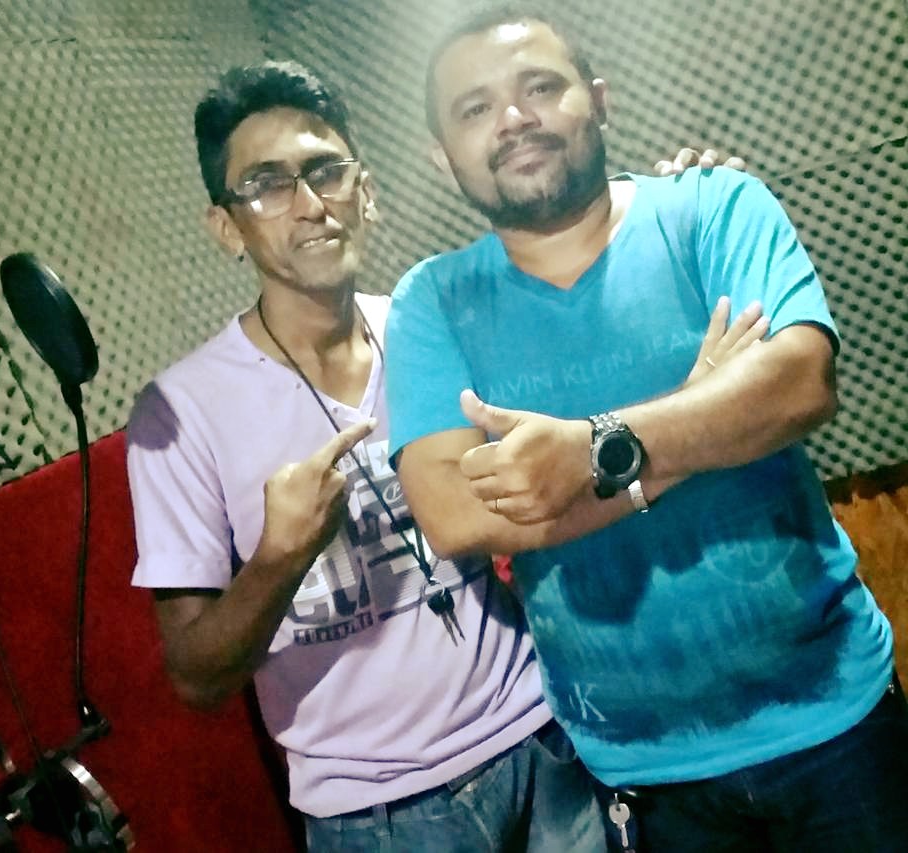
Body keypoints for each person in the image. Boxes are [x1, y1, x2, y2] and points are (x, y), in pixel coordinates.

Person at [125, 58, 751, 852]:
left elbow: (586, 443)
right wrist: (278, 558)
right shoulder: (179, 411)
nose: (310, 204)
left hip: (544, 741)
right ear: (226, 226)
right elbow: (195, 673)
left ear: (367, 190)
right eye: (267, 185)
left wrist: (681, 209)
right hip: (376, 814)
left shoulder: (438, 330)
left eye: (326, 171)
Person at [385, 4, 908, 852]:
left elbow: (800, 383)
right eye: (475, 108)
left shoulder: (714, 207)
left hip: (835, 718)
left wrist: (588, 453)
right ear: (443, 157)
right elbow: (453, 515)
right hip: (642, 767)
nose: (513, 118)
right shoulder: (433, 302)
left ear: (599, 101)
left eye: (540, 87)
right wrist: (694, 417)